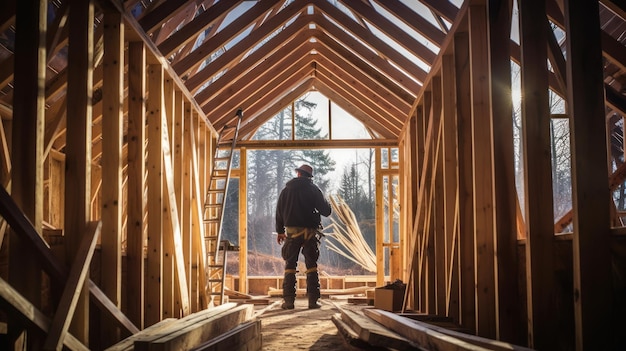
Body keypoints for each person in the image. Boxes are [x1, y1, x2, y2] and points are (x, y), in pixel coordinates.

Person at [275, 164, 332, 309]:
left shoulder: (286, 191)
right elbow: (326, 211)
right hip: (310, 234)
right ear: (309, 177)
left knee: (290, 266)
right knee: (311, 266)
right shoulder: (314, 190)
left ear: (299, 174)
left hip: (292, 234)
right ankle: (313, 301)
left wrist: (280, 231)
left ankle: (288, 302)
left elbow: (279, 212)